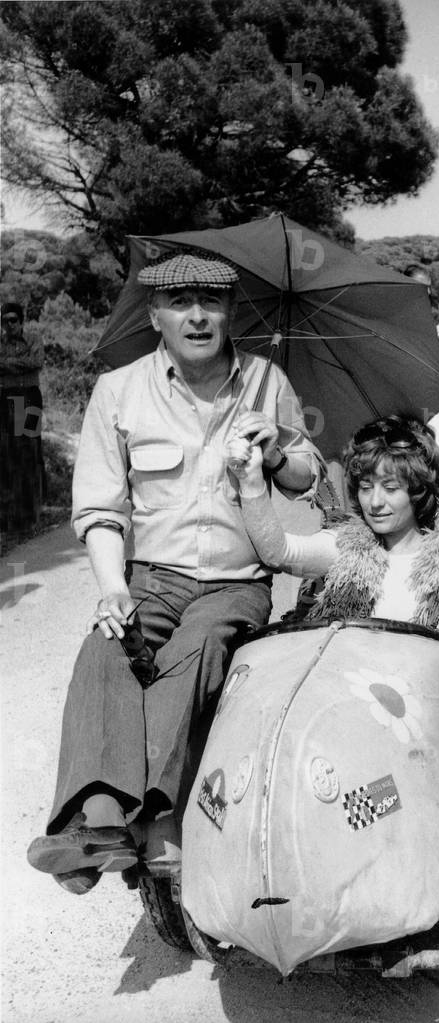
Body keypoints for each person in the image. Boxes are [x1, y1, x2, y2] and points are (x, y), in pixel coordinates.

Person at [26, 251, 321, 894]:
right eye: (180, 303)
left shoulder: (267, 381)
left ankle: (152, 823)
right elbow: (102, 509)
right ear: (154, 315)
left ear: (229, 313)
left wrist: (276, 449)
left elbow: (308, 478)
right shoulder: (119, 389)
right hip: (152, 576)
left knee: (196, 651)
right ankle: (100, 818)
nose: (196, 316)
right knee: (107, 647)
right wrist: (113, 590)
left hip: (238, 581)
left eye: (210, 303)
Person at [226, 413, 439, 642]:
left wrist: (415, 642)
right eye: (366, 488)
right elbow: (279, 553)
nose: (375, 502)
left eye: (391, 488)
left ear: (418, 490)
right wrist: (250, 480)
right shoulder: (347, 545)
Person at [1, 300, 45, 550]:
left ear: (21, 321)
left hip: (28, 399)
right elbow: (26, 363)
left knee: (29, 453)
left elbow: (36, 362)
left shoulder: (34, 339)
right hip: (7, 399)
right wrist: (20, 362)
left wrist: (8, 365)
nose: (9, 325)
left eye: (13, 320)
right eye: (5, 321)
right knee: (8, 456)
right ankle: (11, 515)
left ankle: (31, 513)